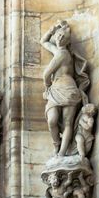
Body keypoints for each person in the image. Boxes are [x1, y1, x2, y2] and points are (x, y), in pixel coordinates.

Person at [40, 20, 89, 156]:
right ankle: (57, 144)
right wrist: (52, 29)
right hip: (57, 91)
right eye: (58, 36)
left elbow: (46, 74)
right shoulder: (57, 51)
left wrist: (47, 87)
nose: (60, 38)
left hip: (68, 90)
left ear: (67, 42)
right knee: (52, 120)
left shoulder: (62, 54)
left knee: (67, 123)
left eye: (63, 37)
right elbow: (43, 42)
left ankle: (61, 153)